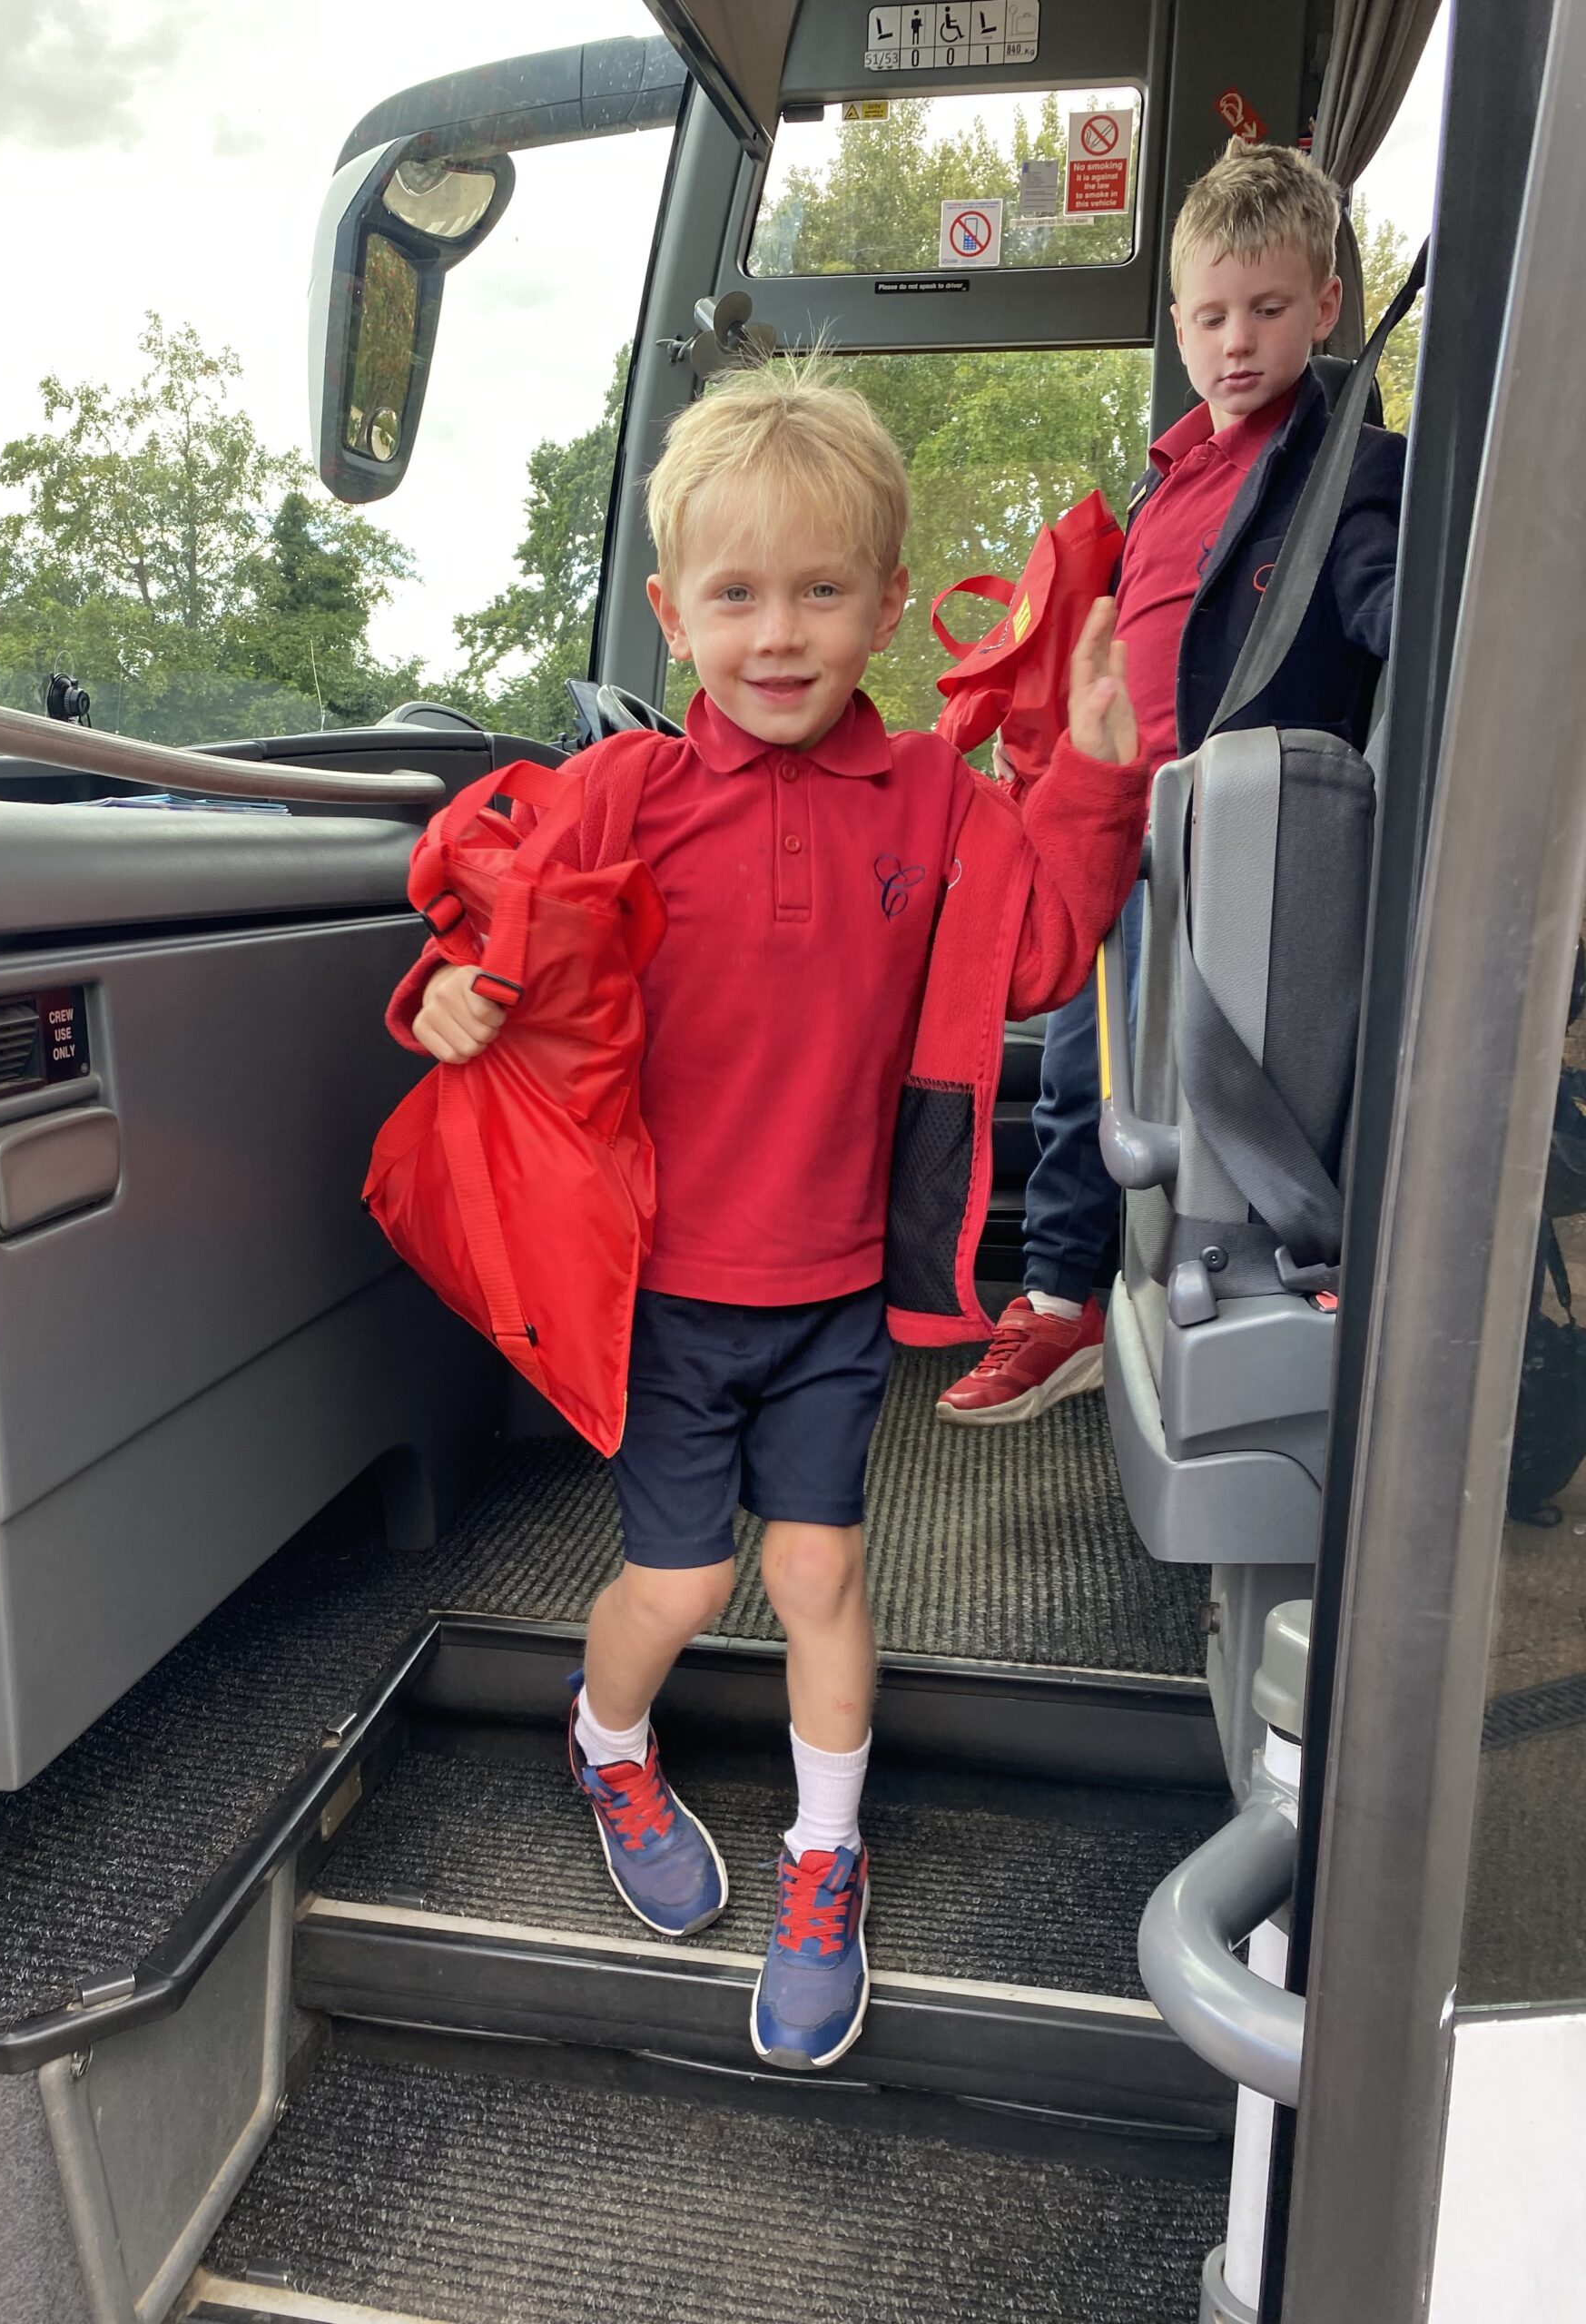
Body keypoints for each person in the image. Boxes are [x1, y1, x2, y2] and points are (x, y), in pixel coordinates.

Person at [399, 360, 1151, 2071]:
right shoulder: (626, 798)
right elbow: (495, 926)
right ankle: (604, 1736)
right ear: (674, 615)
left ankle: (827, 1855)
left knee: (819, 1573)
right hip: (668, 1289)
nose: (783, 634)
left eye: (825, 591)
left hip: (829, 1298)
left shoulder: (940, 805)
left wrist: (1091, 779)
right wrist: (446, 989)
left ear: (890, 600)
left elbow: (1038, 956)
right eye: (737, 596)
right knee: (679, 1582)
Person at [938, 138, 1406, 1425]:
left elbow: (1385, 602)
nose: (1236, 343)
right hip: (1110, 821)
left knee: (1115, 1073)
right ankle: (1071, 1297)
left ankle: (1062, 1298)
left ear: (1325, 309)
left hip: (1220, 845)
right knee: (1081, 1052)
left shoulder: (1344, 476)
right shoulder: (1171, 476)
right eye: (1208, 316)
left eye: (1267, 310)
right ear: (1180, 322)